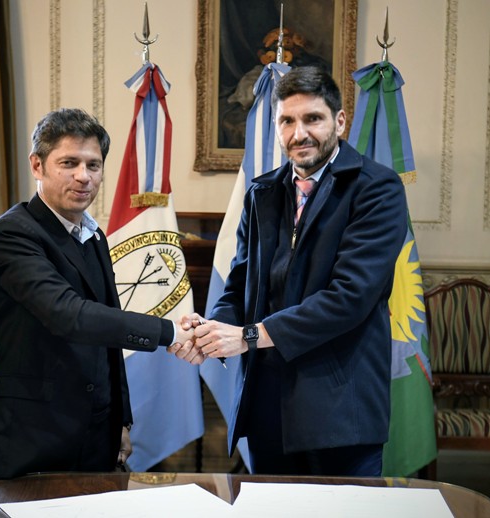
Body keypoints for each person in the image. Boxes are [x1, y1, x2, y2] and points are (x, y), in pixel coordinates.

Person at [169, 66, 408, 476]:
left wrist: (247, 336)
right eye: (287, 121)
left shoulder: (377, 188)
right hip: (267, 408)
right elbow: (239, 285)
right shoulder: (261, 192)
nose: (300, 133)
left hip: (339, 411)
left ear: (340, 121)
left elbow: (349, 299)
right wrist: (211, 331)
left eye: (313, 119)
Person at [0, 108, 193, 480]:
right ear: (37, 165)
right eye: (69, 163)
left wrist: (121, 419)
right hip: (30, 437)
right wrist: (169, 332)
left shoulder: (93, 236)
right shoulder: (12, 233)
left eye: (93, 165)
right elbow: (70, 315)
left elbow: (109, 343)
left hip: (95, 435)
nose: (83, 176)